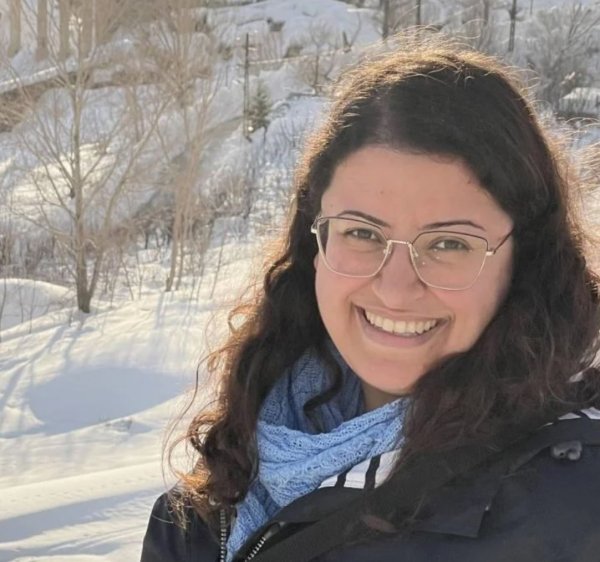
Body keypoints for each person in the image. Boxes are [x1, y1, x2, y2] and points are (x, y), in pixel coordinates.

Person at [141, 34, 600, 562]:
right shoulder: (217, 492)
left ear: (525, 259)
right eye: (362, 233)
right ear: (314, 242)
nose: (395, 288)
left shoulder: (576, 510)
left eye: (449, 243)